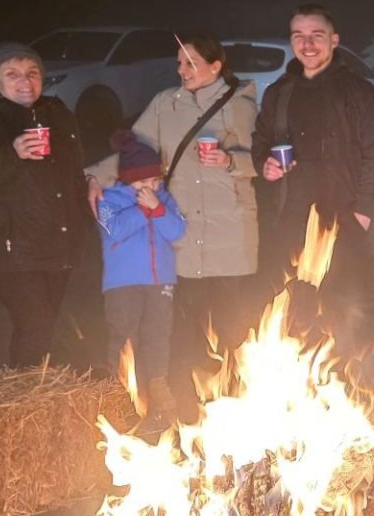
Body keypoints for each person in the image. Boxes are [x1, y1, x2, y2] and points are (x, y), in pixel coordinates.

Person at [86, 34, 260, 399]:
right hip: (180, 225)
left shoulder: (240, 104)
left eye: (191, 63)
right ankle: (187, 400)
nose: (182, 70)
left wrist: (230, 160)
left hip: (228, 228)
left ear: (216, 66)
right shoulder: (166, 104)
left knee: (229, 321)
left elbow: (261, 158)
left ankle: (235, 395)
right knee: (181, 323)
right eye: (179, 62)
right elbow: (136, 149)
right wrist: (97, 176)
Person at [251, 5, 374, 364]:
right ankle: (303, 378)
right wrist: (264, 164)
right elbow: (261, 141)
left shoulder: (359, 93)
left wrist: (364, 211)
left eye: (316, 35)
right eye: (299, 36)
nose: (307, 44)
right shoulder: (279, 93)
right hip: (292, 216)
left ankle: (353, 380)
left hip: (344, 215)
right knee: (292, 306)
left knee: (348, 305)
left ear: (334, 40)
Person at [0, 42, 90, 367]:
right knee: (35, 323)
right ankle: (27, 388)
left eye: (32, 73)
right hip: (8, 248)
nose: (25, 81)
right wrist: (12, 153)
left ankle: (41, 383)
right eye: (12, 74)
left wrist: (91, 182)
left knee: (46, 324)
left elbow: (72, 170)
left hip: (56, 241)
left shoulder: (57, 113)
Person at [98, 132, 187, 428]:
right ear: (128, 180)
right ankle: (120, 389)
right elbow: (114, 229)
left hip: (160, 280)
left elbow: (176, 230)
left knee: (158, 332)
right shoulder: (109, 200)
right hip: (123, 282)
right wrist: (143, 209)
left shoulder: (164, 199)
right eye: (144, 182)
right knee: (124, 333)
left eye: (156, 181)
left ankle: (158, 383)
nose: (151, 187)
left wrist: (158, 209)